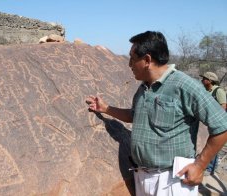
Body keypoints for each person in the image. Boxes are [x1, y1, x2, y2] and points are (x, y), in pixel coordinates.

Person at [86, 31, 227, 196]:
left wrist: (199, 166)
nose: (129, 64)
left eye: (132, 58)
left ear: (147, 60)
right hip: (142, 178)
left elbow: (222, 126)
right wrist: (106, 109)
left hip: (173, 180)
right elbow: (135, 116)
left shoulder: (185, 86)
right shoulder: (143, 88)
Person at [200, 71, 227, 175]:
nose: (202, 80)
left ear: (210, 80)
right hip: (207, 122)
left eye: (204, 79)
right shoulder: (207, 90)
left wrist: (214, 117)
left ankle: (211, 168)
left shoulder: (218, 91)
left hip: (216, 122)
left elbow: (223, 105)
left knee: (213, 144)